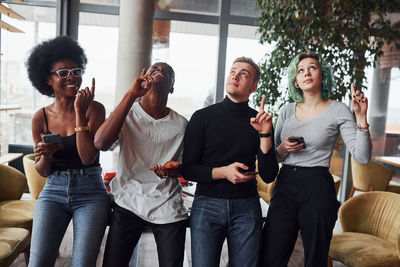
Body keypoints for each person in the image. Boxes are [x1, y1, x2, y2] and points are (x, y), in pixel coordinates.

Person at [259, 52, 372, 266]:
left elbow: (362, 156)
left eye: (312, 68)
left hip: (318, 184)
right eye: (301, 70)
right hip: (286, 184)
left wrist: (361, 117)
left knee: (315, 257)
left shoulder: (338, 109)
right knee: (270, 256)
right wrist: (283, 148)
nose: (306, 73)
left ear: (322, 76)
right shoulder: (286, 110)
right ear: (296, 82)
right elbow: (272, 159)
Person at [181, 57, 279, 267]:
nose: (235, 75)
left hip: (246, 206)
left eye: (244, 73)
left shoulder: (260, 122)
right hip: (207, 204)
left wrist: (265, 135)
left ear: (253, 87)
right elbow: (188, 169)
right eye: (233, 71)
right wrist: (223, 172)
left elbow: (269, 174)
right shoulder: (202, 117)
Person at [26, 35, 110, 267]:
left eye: (76, 70)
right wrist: (46, 155)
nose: (72, 77)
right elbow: (43, 172)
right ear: (47, 79)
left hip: (91, 192)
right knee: (38, 262)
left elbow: (87, 157)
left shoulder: (94, 109)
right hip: (53, 190)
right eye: (63, 73)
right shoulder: (39, 117)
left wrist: (79, 113)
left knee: (83, 263)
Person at [94, 62, 188, 267]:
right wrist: (131, 94)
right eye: (155, 69)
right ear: (144, 78)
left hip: (167, 202)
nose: (160, 72)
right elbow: (101, 143)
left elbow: (184, 166)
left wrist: (174, 170)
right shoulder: (127, 113)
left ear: (172, 86)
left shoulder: (181, 124)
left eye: (167, 72)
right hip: (128, 199)